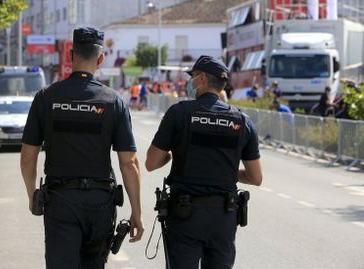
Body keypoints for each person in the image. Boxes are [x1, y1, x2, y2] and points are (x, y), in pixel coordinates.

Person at [20, 27, 144, 269]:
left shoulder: (46, 97)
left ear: (70, 55)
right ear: (100, 59)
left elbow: (27, 157)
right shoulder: (114, 101)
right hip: (100, 202)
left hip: (60, 199)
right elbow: (129, 162)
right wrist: (136, 212)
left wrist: (32, 195)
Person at [145, 55, 263, 269]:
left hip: (185, 215)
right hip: (224, 216)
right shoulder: (242, 121)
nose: (191, 82)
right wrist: (227, 172)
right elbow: (256, 178)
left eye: (193, 76)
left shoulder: (179, 113)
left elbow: (151, 163)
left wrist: (171, 156)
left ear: (202, 79)